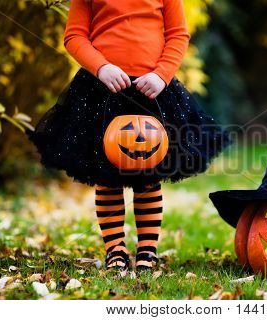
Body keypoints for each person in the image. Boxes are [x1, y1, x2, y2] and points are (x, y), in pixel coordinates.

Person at [29, 0, 230, 272]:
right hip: (102, 90)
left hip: (152, 90)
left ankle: (147, 249)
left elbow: (178, 35)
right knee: (106, 176)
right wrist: (101, 67)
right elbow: (74, 36)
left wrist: (161, 75)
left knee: (149, 175)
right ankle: (116, 249)